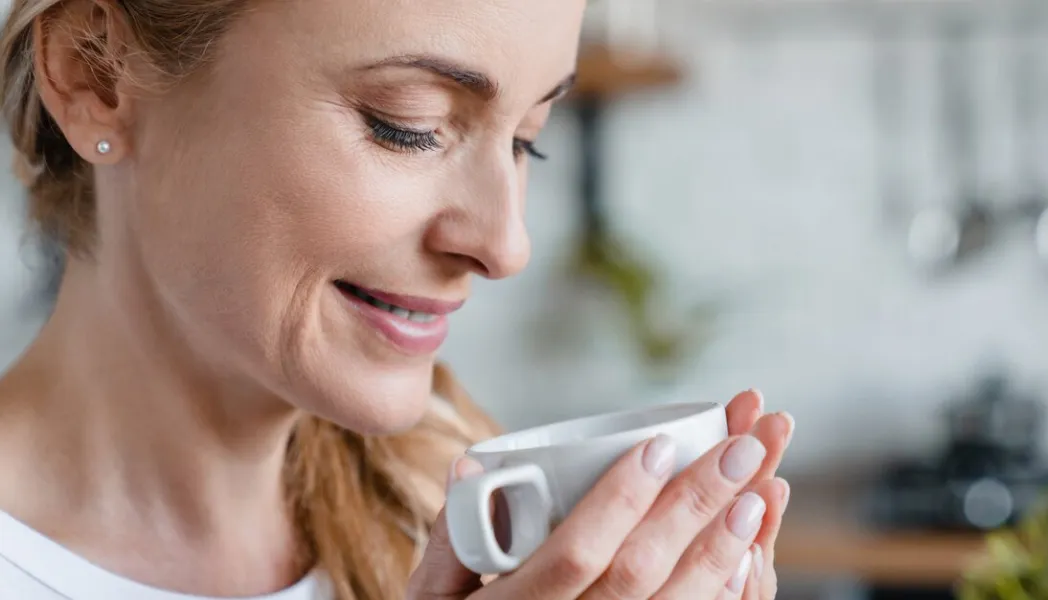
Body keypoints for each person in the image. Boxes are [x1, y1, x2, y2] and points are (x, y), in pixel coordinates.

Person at [0, 0, 795, 599]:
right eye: (406, 125)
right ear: (96, 74)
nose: (505, 244)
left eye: (527, 139)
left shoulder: (469, 529)